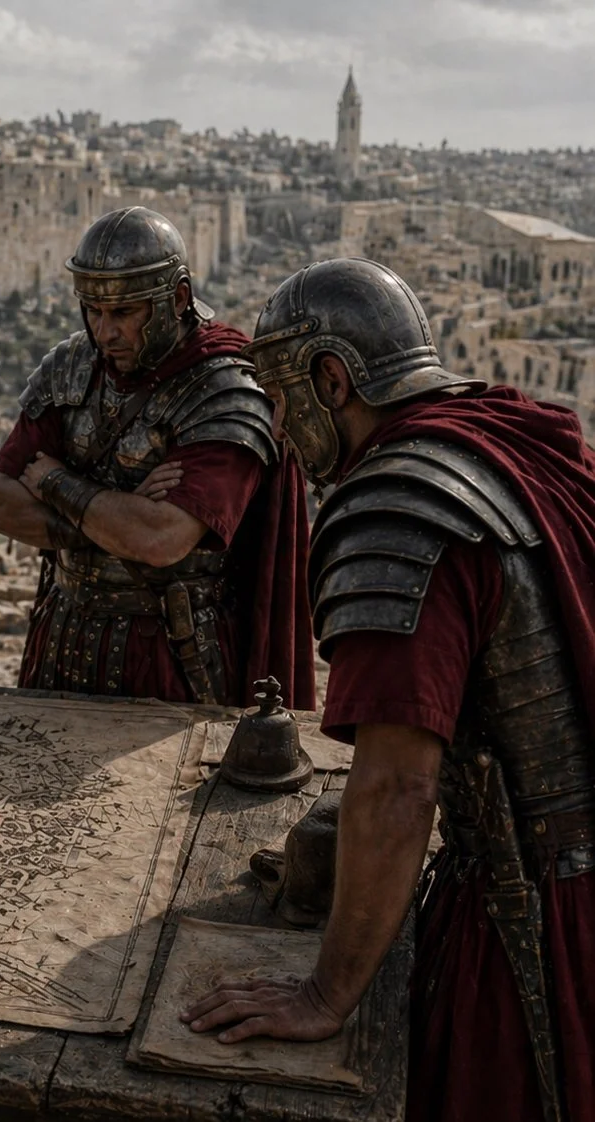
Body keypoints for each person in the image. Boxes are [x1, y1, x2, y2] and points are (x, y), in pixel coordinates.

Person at [183, 258, 595, 1122]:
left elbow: (401, 786)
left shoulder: (399, 512)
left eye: (284, 397)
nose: (280, 426)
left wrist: (325, 994)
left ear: (333, 380)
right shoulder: (518, 439)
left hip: (534, 908)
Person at [0, 206, 314, 707]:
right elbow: (0, 506)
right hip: (63, 636)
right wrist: (120, 516)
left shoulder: (225, 393)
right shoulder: (71, 368)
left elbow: (161, 538)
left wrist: (55, 482)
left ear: (177, 299)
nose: (104, 332)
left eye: (123, 313)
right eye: (93, 310)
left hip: (175, 652)